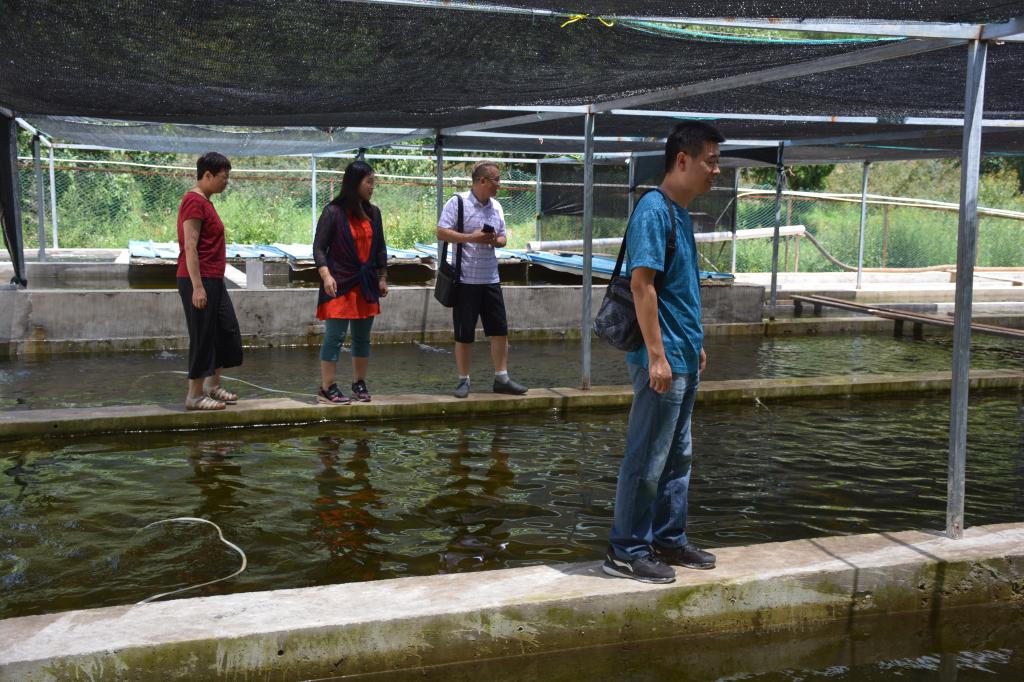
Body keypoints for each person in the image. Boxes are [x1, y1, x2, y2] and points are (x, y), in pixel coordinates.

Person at [603, 122, 725, 584]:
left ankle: (668, 539)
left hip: (682, 356)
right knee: (647, 458)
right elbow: (642, 285)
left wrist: (695, 344)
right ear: (682, 160)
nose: (716, 170)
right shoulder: (654, 210)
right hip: (663, 361)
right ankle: (626, 549)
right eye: (711, 161)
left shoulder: (679, 214)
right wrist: (657, 355)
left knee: (677, 456)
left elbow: (677, 290)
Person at [436, 161, 527, 399]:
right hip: (465, 279)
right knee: (464, 332)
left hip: (490, 278)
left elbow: (504, 238)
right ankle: (463, 380)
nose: (499, 185)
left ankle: (502, 378)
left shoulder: (496, 206)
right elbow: (441, 231)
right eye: (496, 180)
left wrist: (494, 240)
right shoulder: (457, 202)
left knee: (499, 329)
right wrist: (472, 238)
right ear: (482, 181)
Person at [313, 160, 388, 404]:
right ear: (355, 183)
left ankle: (359, 383)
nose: (372, 187)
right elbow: (319, 247)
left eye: (373, 182)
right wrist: (326, 275)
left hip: (366, 282)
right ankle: (327, 387)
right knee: (335, 336)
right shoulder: (333, 212)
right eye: (369, 182)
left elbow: (380, 249)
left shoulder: (374, 213)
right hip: (340, 282)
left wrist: (382, 277)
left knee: (362, 338)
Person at [176, 152, 243, 411]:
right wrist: (197, 287)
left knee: (225, 330)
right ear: (207, 175)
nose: (226, 182)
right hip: (198, 279)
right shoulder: (193, 202)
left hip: (214, 278)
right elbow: (190, 247)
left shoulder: (206, 202)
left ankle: (212, 386)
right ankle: (194, 396)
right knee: (202, 335)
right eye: (223, 177)